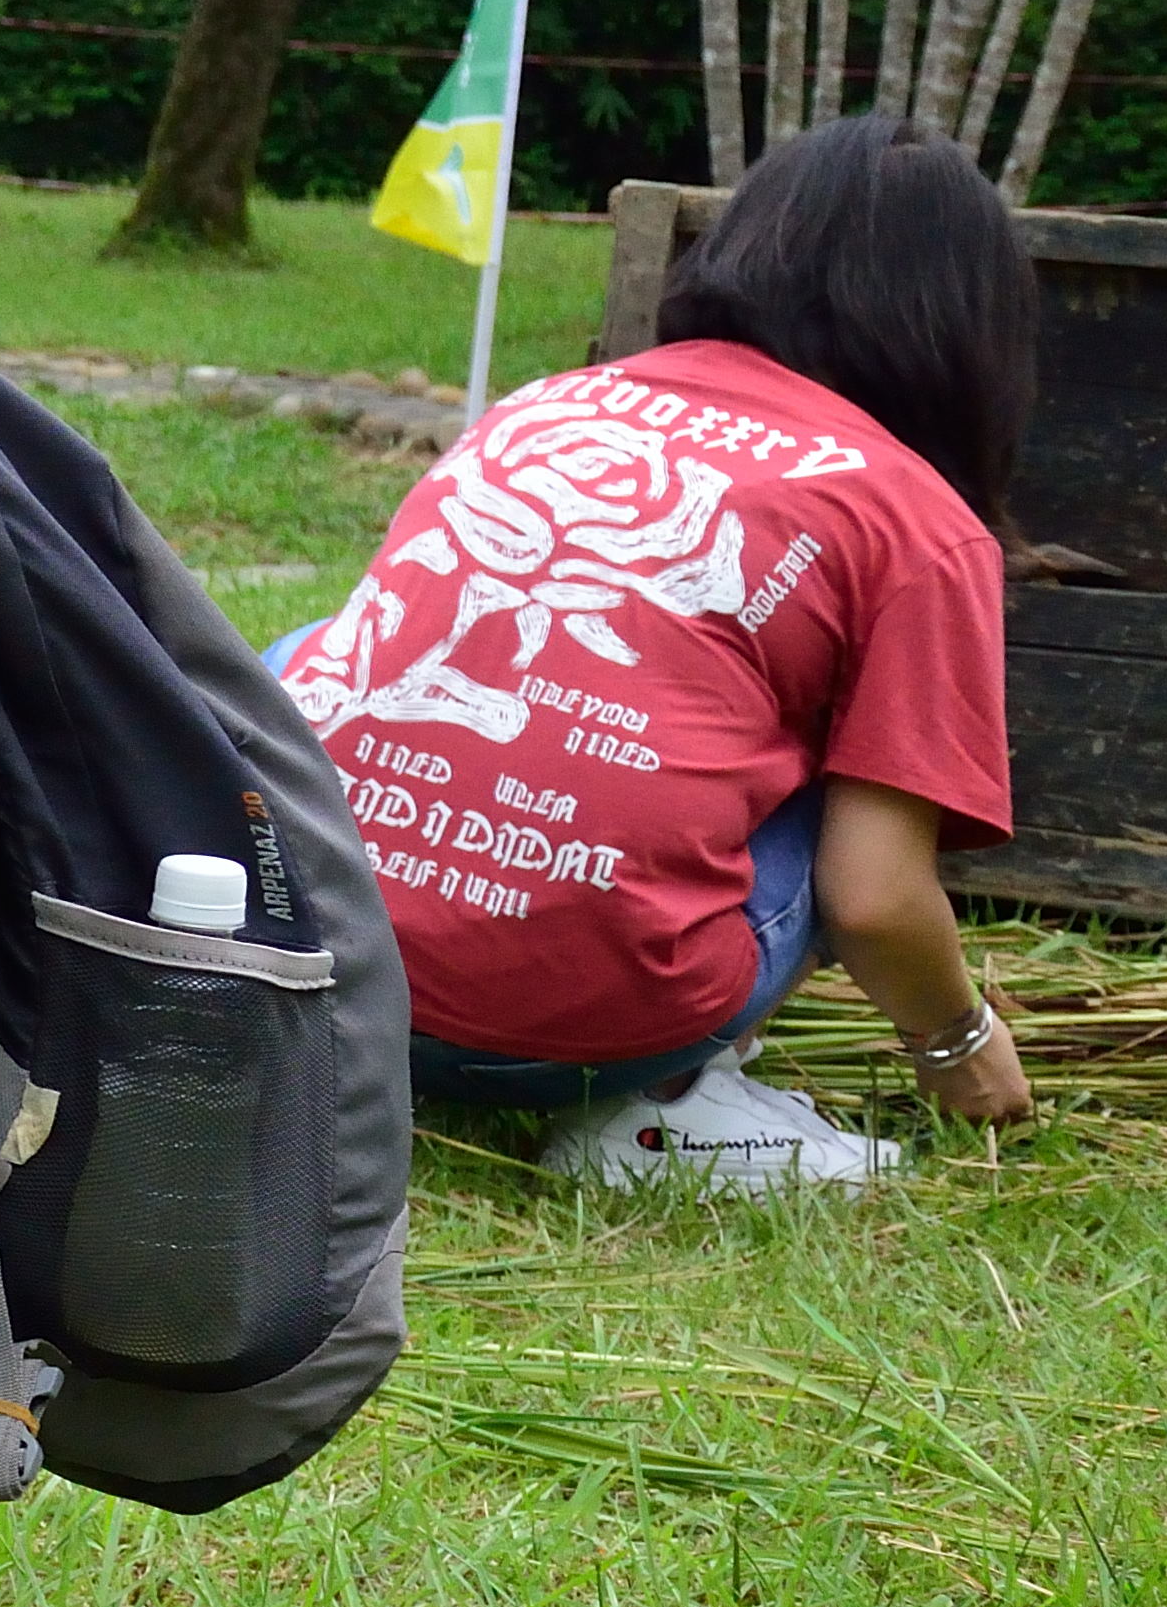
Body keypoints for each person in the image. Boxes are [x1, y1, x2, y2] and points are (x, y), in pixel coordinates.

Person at [280, 112, 1041, 1191]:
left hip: (310, 981)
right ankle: (670, 1106)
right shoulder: (915, 517)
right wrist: (958, 1047)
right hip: (574, 1036)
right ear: (971, 322)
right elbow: (871, 894)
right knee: (851, 773)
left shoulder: (543, 406)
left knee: (310, 648)